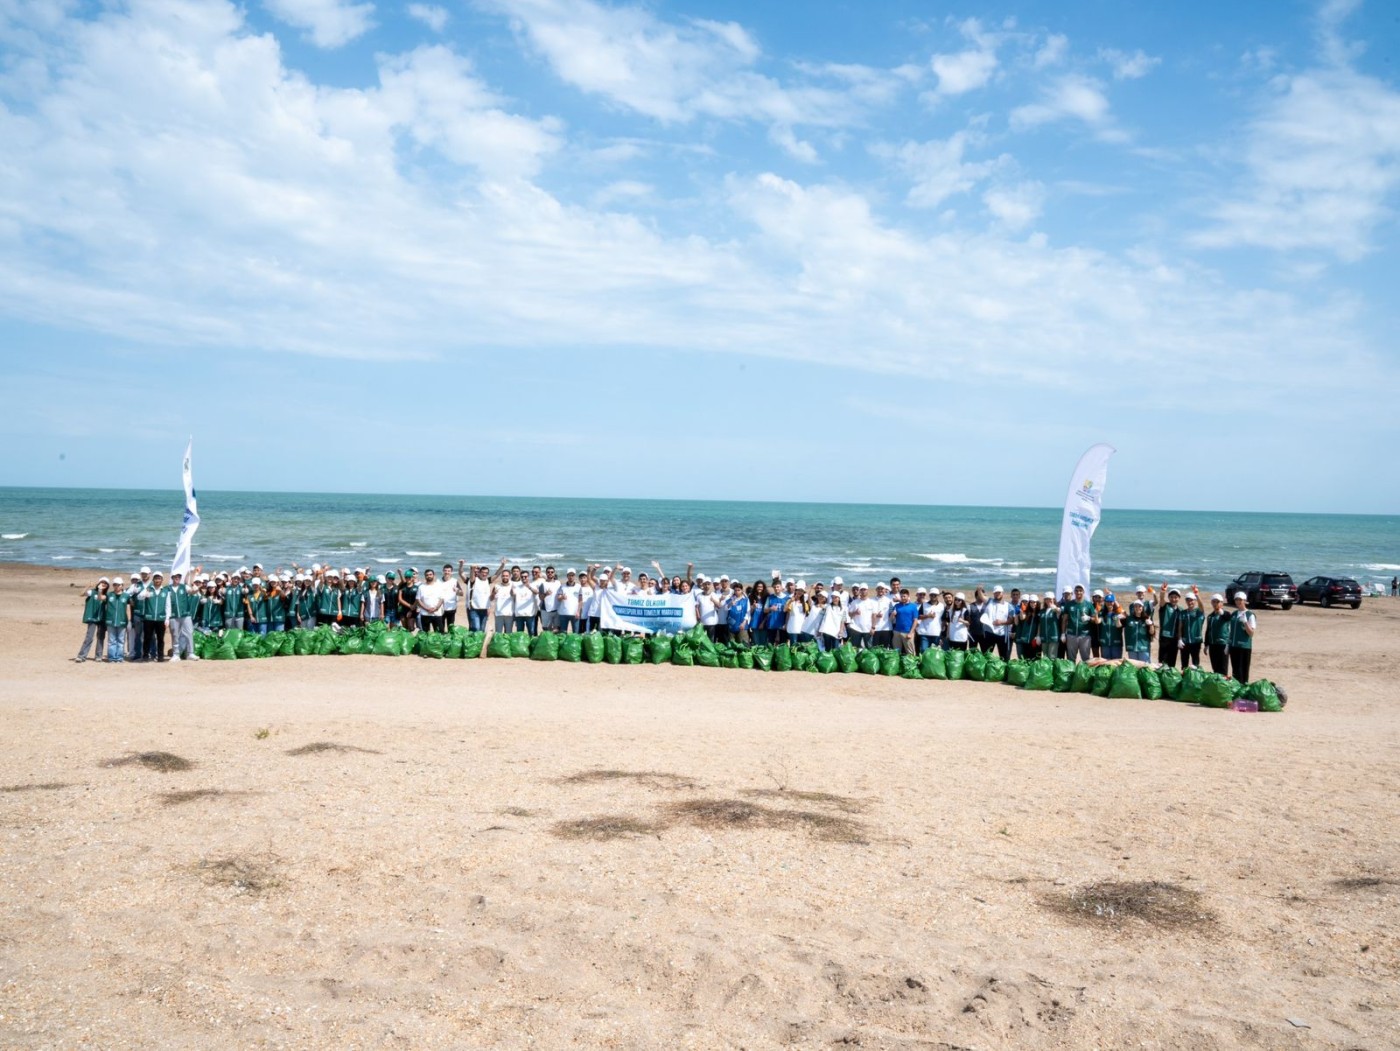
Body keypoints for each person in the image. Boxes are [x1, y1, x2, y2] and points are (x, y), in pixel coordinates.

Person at [75, 577, 110, 662]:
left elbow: (100, 598)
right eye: (102, 582)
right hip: (92, 618)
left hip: (102, 618)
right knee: (89, 637)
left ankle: (98, 656)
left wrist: (100, 591)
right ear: (98, 583)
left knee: (101, 637)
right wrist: (88, 585)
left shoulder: (107, 595)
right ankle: (82, 655)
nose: (103, 584)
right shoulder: (92, 592)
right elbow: (81, 594)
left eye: (105, 583)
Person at [1060, 584, 1094, 662]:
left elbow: (1094, 619)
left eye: (1080, 591)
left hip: (1085, 636)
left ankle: (1084, 673)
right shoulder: (1069, 604)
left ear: (1083, 592)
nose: (1078, 592)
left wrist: (1088, 618)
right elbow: (1064, 620)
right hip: (1071, 635)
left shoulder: (1089, 605)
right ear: (1074, 592)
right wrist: (1063, 633)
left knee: (1086, 659)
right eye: (1076, 590)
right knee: (1071, 659)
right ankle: (1072, 673)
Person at [168, 570, 198, 660]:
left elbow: (192, 592)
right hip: (173, 615)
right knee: (175, 635)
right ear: (172, 578)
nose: (177, 578)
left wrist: (194, 586)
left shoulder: (184, 587)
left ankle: (190, 653)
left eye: (179, 577)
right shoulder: (167, 588)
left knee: (189, 633)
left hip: (185, 614)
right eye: (175, 577)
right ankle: (176, 654)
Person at [1228, 591, 1257, 683]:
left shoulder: (1250, 615)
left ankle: (1243, 690)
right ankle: (1237, 690)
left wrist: (1245, 622)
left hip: (1244, 647)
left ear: (1245, 600)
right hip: (1234, 646)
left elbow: (1251, 633)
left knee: (1243, 671)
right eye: (1236, 599)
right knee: (1235, 671)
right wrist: (1228, 645)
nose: (1238, 601)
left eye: (1240, 600)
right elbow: (1230, 631)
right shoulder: (1233, 614)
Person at [980, 585, 1013, 660]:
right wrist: (979, 589)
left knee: (1004, 657)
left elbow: (1011, 620)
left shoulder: (1009, 606)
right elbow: (981, 597)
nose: (997, 594)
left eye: (999, 592)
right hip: (989, 632)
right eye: (995, 593)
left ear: (1002, 593)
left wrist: (1001, 622)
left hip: (1002, 634)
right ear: (993, 594)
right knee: (986, 655)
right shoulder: (989, 601)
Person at [1205, 594, 1232, 674]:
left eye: (1218, 602)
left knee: (1223, 668)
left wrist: (1222, 613)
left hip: (1223, 644)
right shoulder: (1210, 616)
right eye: (1214, 602)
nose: (1216, 603)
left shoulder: (1226, 614)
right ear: (1211, 603)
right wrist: (1206, 644)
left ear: (1222, 603)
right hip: (1213, 644)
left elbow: (1228, 617)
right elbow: (1208, 630)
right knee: (1215, 667)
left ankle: (1223, 683)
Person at [105, 578, 131, 662]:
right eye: (115, 585)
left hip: (122, 621)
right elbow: (100, 598)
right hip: (110, 621)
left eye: (118, 585)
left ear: (122, 586)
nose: (116, 586)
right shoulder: (109, 595)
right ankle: (112, 657)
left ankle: (119, 657)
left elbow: (134, 603)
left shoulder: (126, 596)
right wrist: (99, 590)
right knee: (111, 640)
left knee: (121, 640)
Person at [1177, 591, 1205, 668]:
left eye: (1192, 600)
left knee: (1195, 663)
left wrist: (1197, 595)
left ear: (1195, 601)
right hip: (1185, 642)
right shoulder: (1183, 613)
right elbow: (1180, 627)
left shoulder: (1199, 612)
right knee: (1184, 663)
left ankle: (1195, 678)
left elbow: (1202, 606)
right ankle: (1184, 678)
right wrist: (1179, 639)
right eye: (1188, 600)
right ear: (1186, 601)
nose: (1190, 602)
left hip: (1196, 642)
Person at [1156, 587, 1182, 668]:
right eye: (1171, 597)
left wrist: (1180, 639)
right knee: (1162, 661)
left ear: (1179, 598)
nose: (1173, 599)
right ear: (1169, 598)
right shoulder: (1165, 606)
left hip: (1175, 639)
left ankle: (1170, 678)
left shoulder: (1180, 610)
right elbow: (1161, 599)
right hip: (1164, 638)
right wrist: (1163, 592)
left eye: (1175, 597)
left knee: (1172, 661)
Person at [890, 588, 919, 655]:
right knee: (896, 652)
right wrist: (892, 615)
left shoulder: (913, 606)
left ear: (908, 596)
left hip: (907, 632)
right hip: (897, 632)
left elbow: (915, 620)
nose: (903, 598)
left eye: (904, 596)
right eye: (901, 596)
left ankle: (912, 665)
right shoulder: (896, 606)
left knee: (910, 652)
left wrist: (911, 633)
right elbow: (891, 619)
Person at [1095, 595, 1124, 661]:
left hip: (1116, 643)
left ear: (1114, 602)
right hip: (1105, 643)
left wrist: (1117, 618)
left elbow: (1119, 625)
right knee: (1106, 664)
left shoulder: (1118, 612)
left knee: (1116, 663)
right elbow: (1097, 622)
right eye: (1107, 601)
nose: (1109, 603)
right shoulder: (1102, 613)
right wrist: (1096, 613)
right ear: (1105, 602)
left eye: (1111, 602)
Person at [416, 568, 446, 633]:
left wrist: (436, 608)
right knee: (425, 633)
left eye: (430, 574)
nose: (429, 576)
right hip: (425, 614)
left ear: (433, 575)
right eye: (427, 575)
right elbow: (418, 600)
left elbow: (441, 599)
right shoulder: (421, 587)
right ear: (425, 576)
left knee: (439, 633)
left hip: (437, 613)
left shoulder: (439, 586)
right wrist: (427, 609)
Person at [1035, 592, 1060, 658]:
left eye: (1052, 599)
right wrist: (1038, 635)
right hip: (1044, 637)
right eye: (1048, 599)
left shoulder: (1056, 610)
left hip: (1053, 637)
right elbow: (1040, 624)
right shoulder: (1042, 611)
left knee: (1052, 657)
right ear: (1045, 600)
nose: (1050, 600)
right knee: (1045, 657)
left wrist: (1055, 608)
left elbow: (1059, 611)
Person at [491, 569, 514, 634]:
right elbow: (491, 598)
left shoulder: (513, 585)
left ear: (509, 576)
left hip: (509, 614)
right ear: (501, 576)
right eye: (503, 576)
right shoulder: (496, 586)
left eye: (507, 576)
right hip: (498, 614)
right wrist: (493, 594)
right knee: (498, 634)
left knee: (508, 634)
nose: (505, 577)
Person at [441, 563, 461, 629]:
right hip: (440, 608)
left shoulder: (455, 581)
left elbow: (462, 593)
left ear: (451, 572)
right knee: (441, 627)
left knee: (451, 627)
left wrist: (457, 591)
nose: (447, 572)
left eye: (449, 571)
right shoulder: (438, 581)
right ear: (443, 571)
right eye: (445, 570)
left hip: (451, 607)